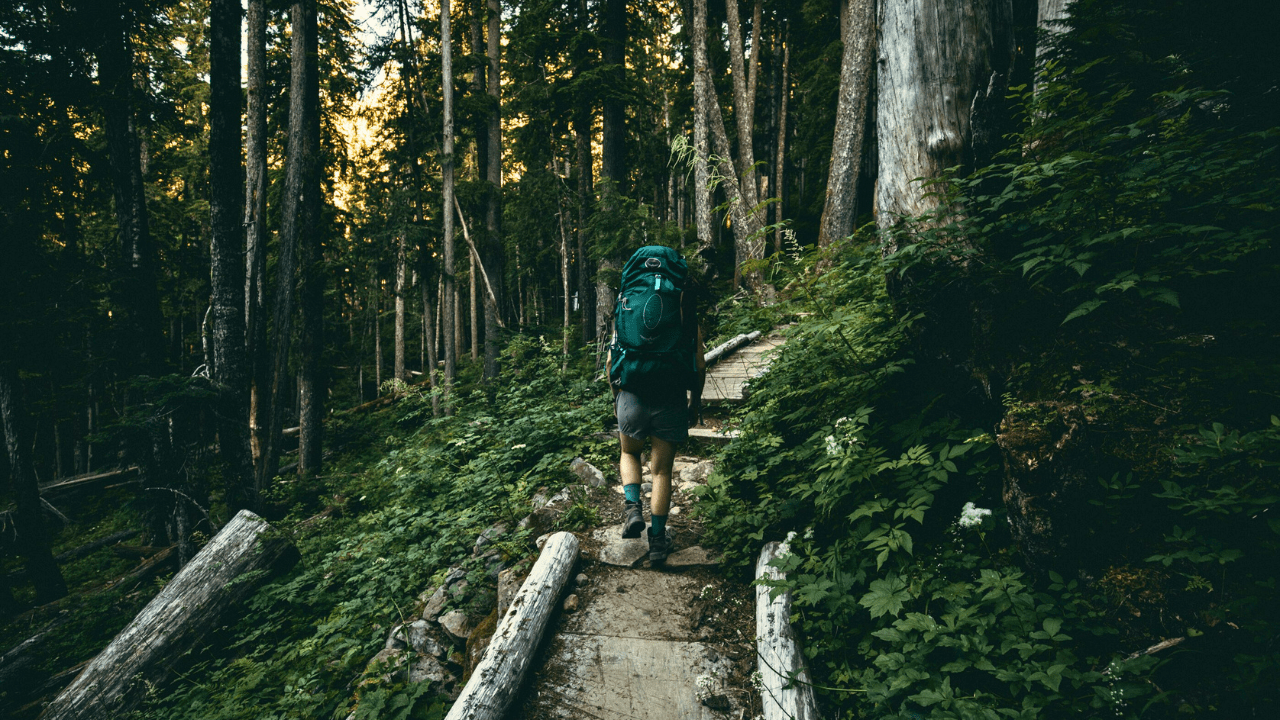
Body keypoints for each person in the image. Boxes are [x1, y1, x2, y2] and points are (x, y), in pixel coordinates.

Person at [607, 246, 706, 564]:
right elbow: (699, 363)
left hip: (632, 392)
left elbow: (612, 360)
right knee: (662, 471)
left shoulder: (627, 308)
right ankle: (659, 543)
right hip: (671, 394)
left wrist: (616, 397)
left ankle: (633, 509)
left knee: (628, 452)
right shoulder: (683, 310)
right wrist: (696, 401)